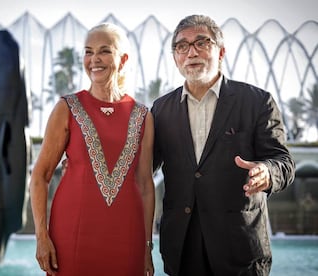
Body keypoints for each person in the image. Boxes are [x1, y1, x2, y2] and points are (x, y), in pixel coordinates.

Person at [151, 15, 295, 275]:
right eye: (182, 46)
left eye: (201, 43)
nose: (191, 51)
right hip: (181, 250)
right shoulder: (161, 109)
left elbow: (283, 163)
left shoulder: (257, 102)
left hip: (240, 250)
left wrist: (266, 171)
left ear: (221, 52)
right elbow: (143, 166)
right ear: (175, 57)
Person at [29, 23, 155, 276]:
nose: (94, 59)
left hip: (127, 236)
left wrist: (146, 247)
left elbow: (144, 185)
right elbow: (40, 177)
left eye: (104, 51)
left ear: (123, 59)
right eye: (88, 52)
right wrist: (42, 237)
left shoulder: (143, 116)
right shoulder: (67, 107)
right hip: (72, 233)